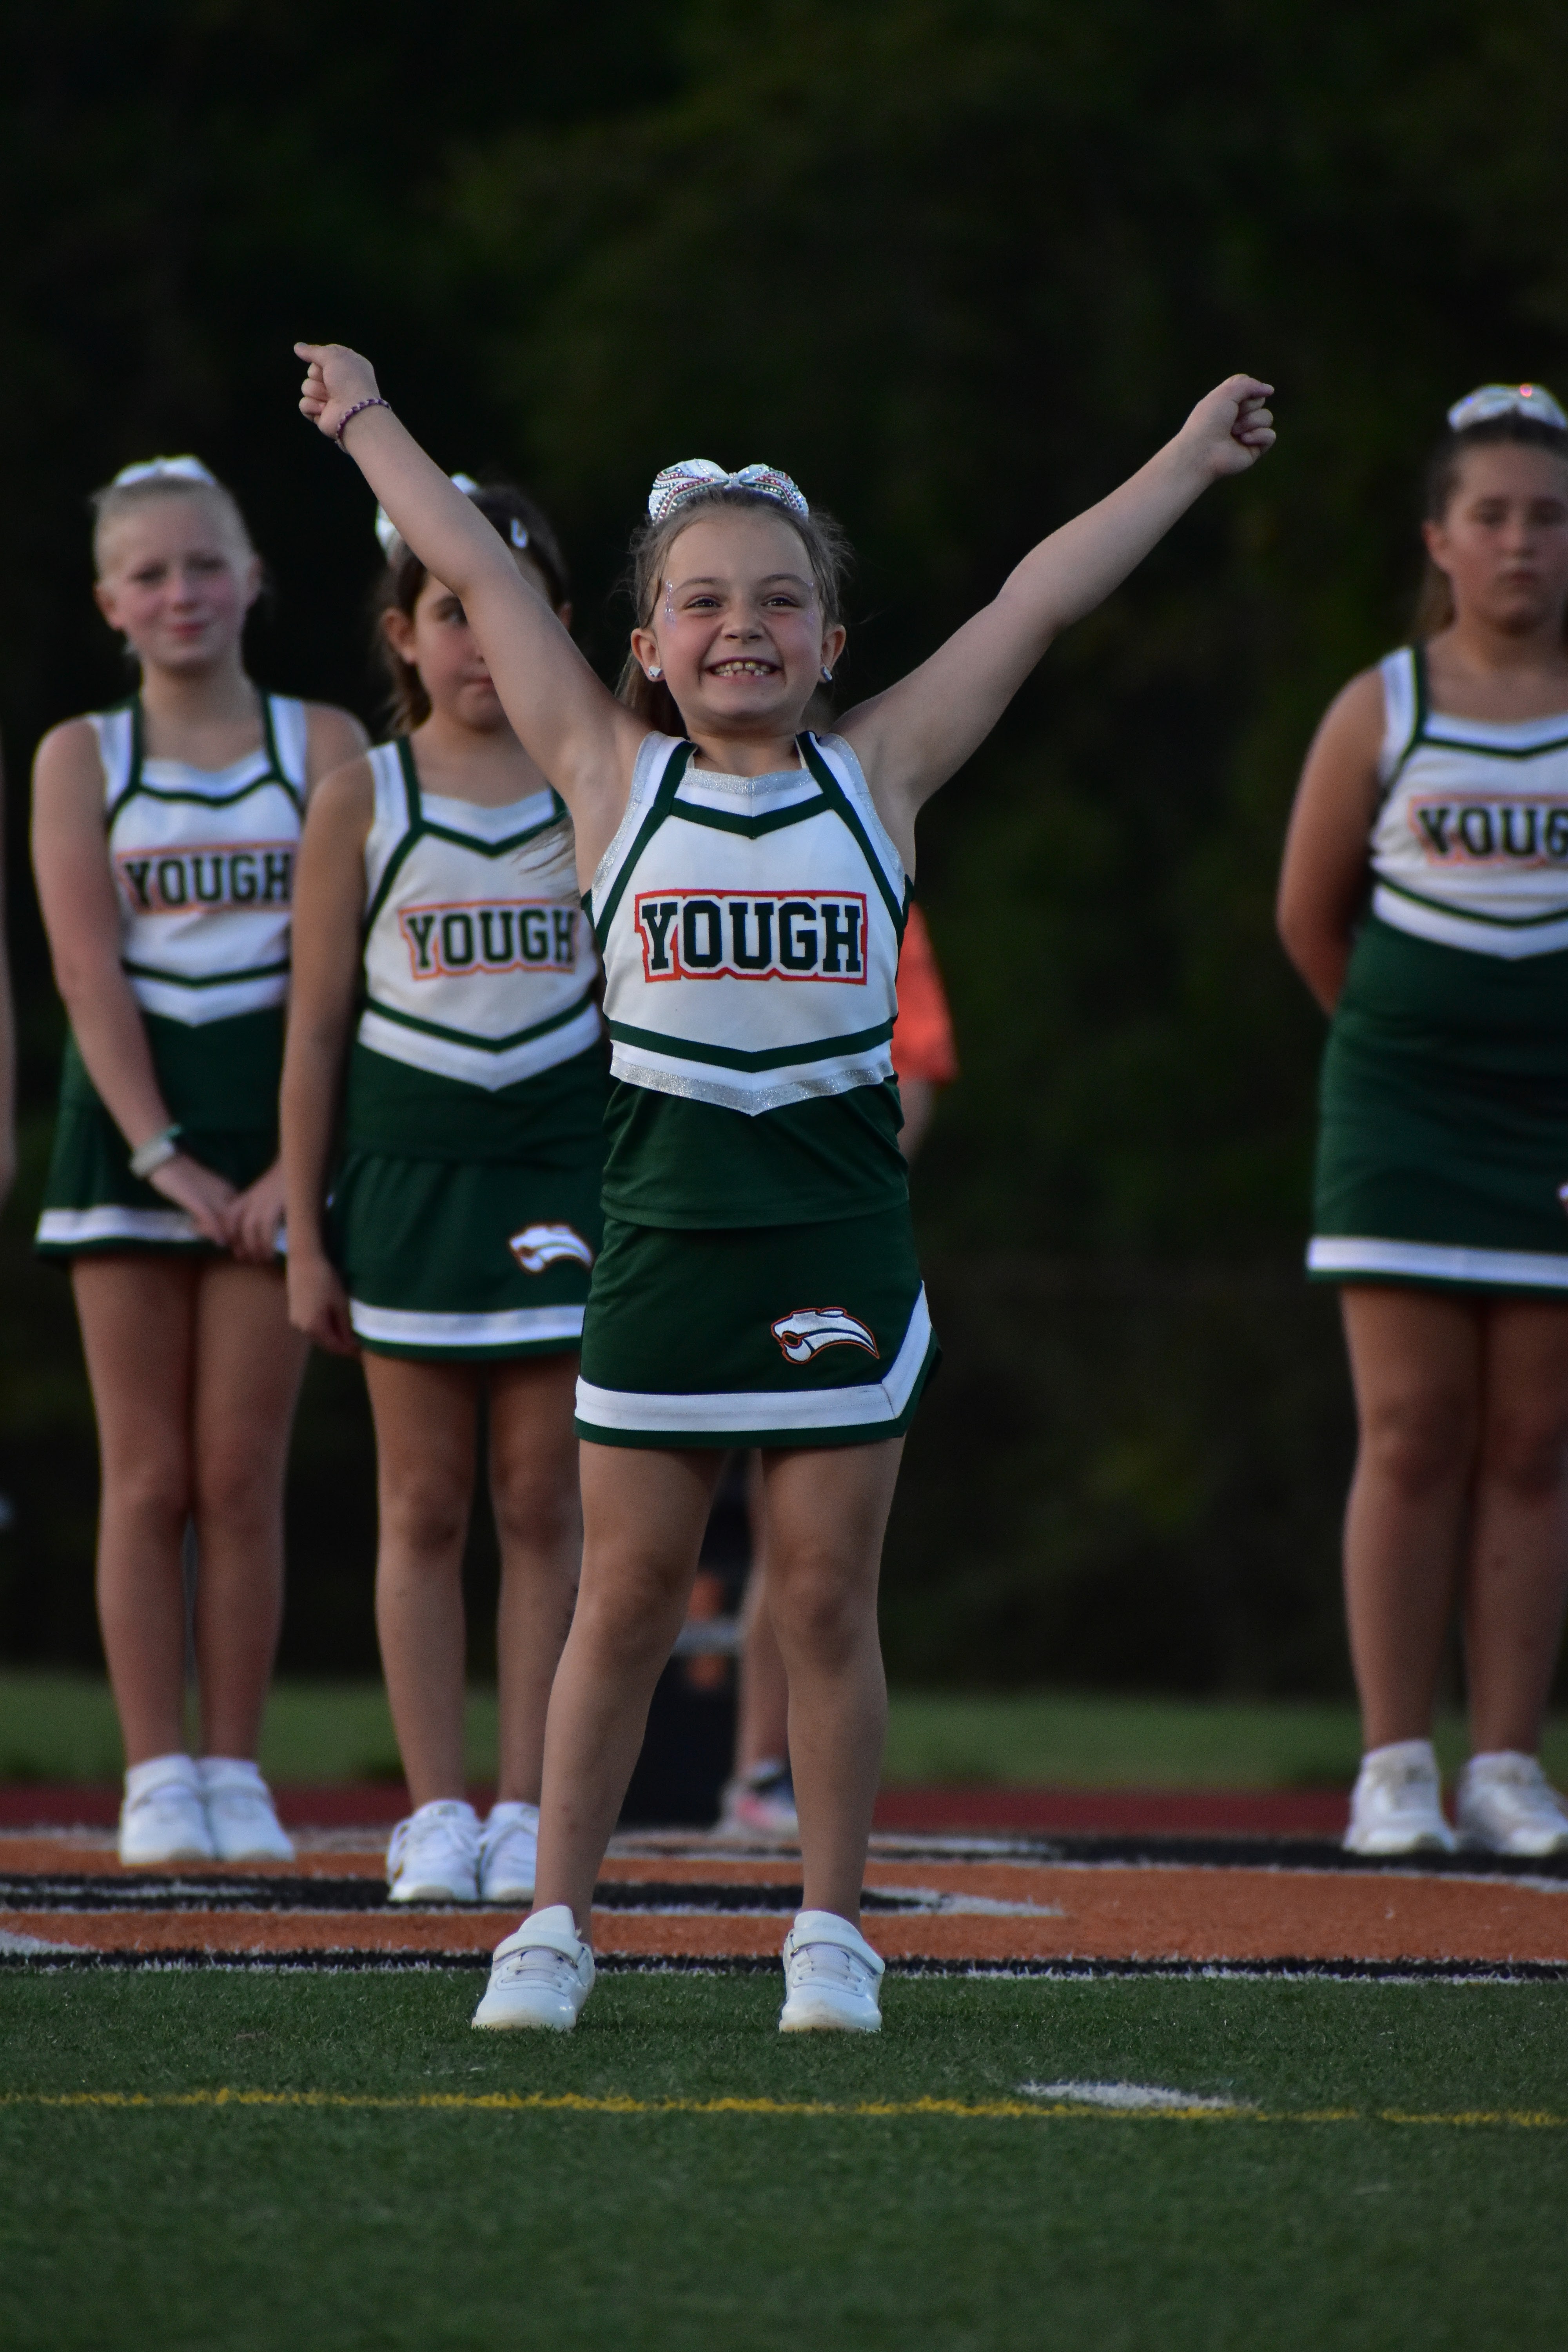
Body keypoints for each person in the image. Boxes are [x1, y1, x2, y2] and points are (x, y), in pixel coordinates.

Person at [296, 340, 1273, 2032]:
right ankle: (553, 1923)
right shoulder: (610, 777)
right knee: (622, 1602)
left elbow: (1039, 598)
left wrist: (1188, 458)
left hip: (836, 1241)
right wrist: (367, 419)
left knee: (821, 1597)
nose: (740, 625)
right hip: (663, 1247)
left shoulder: (878, 774)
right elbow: (470, 562)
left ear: (833, 643)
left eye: (778, 600)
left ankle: (829, 1930)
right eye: (700, 601)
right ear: (642, 646)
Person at [31, 456, 366, 1865]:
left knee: (239, 1474)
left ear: (254, 579)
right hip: (130, 1141)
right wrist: (161, 1156)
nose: (183, 593)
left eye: (207, 564)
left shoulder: (327, 744)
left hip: (278, 1139)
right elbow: (84, 972)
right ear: (110, 602)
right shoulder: (81, 757)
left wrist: (296, 1166)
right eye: (151, 573)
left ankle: (235, 1769)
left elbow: (349, 977)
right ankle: (154, 1775)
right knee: (146, 1475)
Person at [281, 478, 603, 1905]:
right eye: (452, 611)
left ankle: (531, 1803)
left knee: (542, 1501)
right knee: (420, 1505)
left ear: (561, 626)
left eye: (508, 609)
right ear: (402, 634)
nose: (481, 640)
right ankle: (432, 1810)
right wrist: (306, 1235)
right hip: (406, 1187)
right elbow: (314, 1033)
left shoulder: (599, 783)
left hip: (559, 1178)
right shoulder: (361, 797)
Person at [1279, 383, 1568, 1859]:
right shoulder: (1382, 707)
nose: (1522, 542)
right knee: (1411, 1430)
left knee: (1535, 1438)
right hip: (1401, 1116)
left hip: (1554, 1126)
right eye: (1493, 515)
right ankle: (1394, 1764)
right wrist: (1403, 1057)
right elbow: (1308, 917)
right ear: (1440, 539)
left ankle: (1506, 1764)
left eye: (1549, 517)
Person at [718, 899, 959, 1841]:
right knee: (677, 1549)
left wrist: (829, 1197)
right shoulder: (688, 860)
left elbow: (917, 1077)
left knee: (803, 1540)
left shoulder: (865, 874)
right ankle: (754, 1771)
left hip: (803, 1237)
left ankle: (764, 1771)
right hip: (718, 1233)